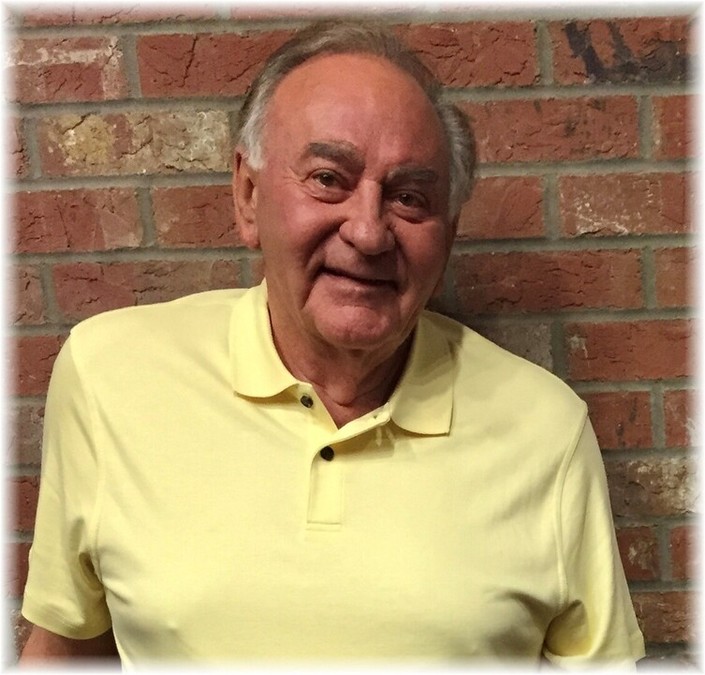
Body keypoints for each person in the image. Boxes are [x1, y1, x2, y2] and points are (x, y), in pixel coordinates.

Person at [20, 20, 645, 666]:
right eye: (327, 179)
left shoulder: (545, 429)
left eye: (409, 197)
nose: (368, 232)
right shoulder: (110, 377)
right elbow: (65, 647)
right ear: (248, 195)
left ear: (448, 231)